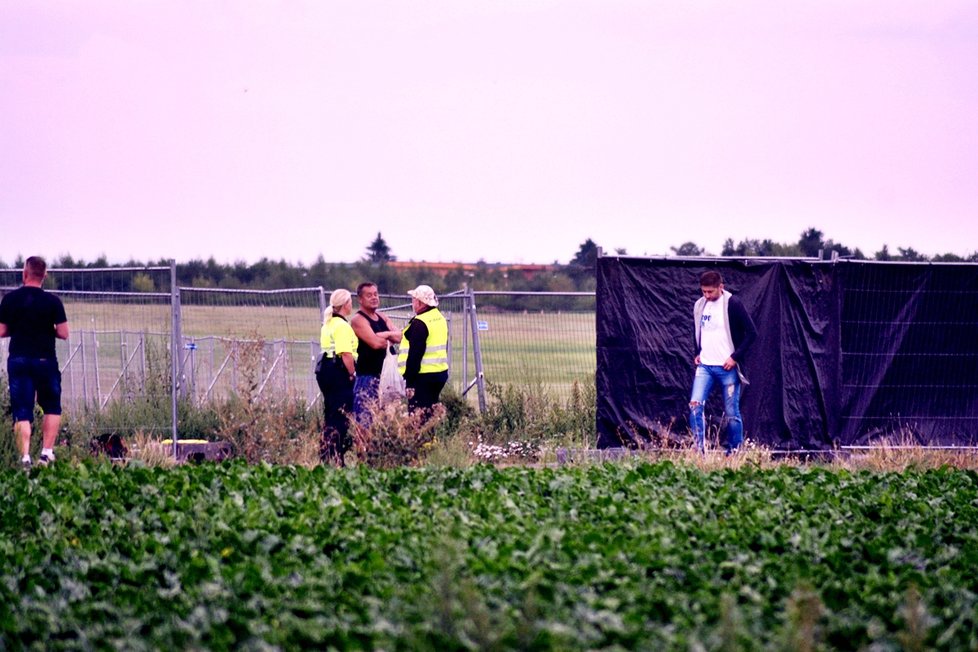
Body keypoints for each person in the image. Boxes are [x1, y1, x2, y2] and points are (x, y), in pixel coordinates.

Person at [0, 257, 70, 468]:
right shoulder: (53, 302)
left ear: (25, 273)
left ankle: (24, 457)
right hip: (45, 360)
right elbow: (64, 333)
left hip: (19, 359)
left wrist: (19, 329)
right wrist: (46, 330)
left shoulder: (10, 299)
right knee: (51, 406)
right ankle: (46, 454)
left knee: (22, 409)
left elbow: (2, 330)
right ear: (44, 276)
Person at [689, 270, 756, 454]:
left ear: (721, 287)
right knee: (695, 404)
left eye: (710, 291)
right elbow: (699, 330)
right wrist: (698, 352)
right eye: (703, 291)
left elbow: (752, 333)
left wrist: (735, 357)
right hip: (705, 366)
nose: (707, 295)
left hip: (727, 368)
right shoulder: (700, 305)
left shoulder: (732, 303)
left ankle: (734, 452)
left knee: (732, 413)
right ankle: (699, 451)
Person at [315, 289, 357, 465]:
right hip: (338, 370)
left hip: (325, 369)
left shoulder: (328, 323)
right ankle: (335, 457)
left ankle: (327, 455)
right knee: (340, 415)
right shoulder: (342, 326)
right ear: (345, 304)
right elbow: (345, 353)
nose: (351, 305)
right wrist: (352, 373)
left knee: (331, 413)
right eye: (350, 301)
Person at [350, 282, 402, 424]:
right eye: (369, 295)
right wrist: (388, 338)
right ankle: (362, 446)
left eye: (375, 294)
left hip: (386, 377)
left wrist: (383, 334)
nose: (374, 298)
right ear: (360, 299)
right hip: (368, 377)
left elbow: (400, 336)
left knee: (388, 421)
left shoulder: (382, 317)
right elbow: (375, 343)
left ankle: (379, 447)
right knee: (365, 420)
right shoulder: (358, 320)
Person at [398, 285, 448, 415]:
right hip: (439, 373)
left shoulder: (420, 322)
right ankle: (431, 436)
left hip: (422, 377)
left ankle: (423, 436)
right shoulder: (439, 318)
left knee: (418, 417)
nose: (412, 303)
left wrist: (410, 382)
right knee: (430, 413)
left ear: (420, 302)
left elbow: (415, 354)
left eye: (414, 300)